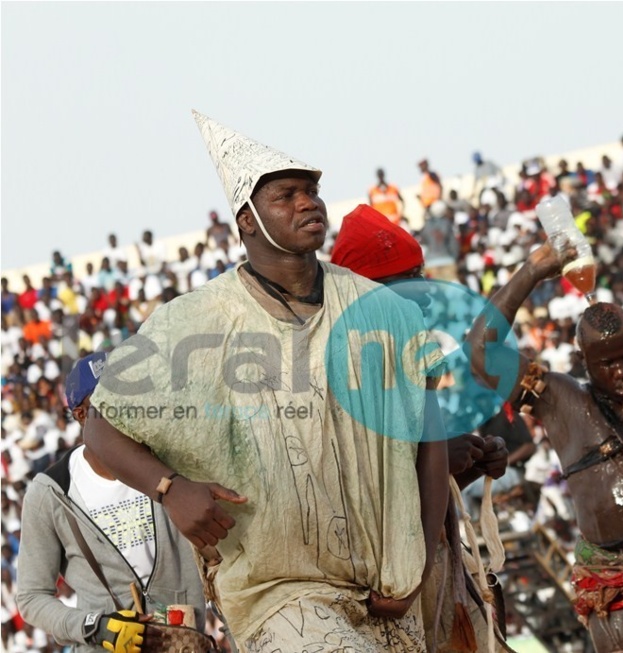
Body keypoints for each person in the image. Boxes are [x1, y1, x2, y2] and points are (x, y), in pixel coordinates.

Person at [83, 112, 449, 652]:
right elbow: (99, 428)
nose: (309, 203)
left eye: (312, 191)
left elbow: (428, 437)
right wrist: (170, 488)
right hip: (278, 594)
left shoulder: (380, 309)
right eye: (287, 195)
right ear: (247, 221)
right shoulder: (196, 320)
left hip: (388, 590)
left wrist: (418, 561)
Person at [467, 243, 623, 653]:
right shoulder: (559, 400)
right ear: (584, 360)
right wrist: (532, 271)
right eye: (608, 363)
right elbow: (480, 350)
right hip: (612, 584)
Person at [331, 203, 510, 651]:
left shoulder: (407, 360)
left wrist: (468, 465)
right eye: (409, 280)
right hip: (379, 590)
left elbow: (421, 489)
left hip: (431, 578)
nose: (427, 292)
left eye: (421, 274)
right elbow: (352, 497)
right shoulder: (339, 371)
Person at [16, 352, 207, 651]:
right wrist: (94, 626)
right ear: (81, 415)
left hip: (185, 643)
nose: (125, 406)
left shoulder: (173, 464)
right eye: (108, 400)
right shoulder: (52, 492)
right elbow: (31, 597)